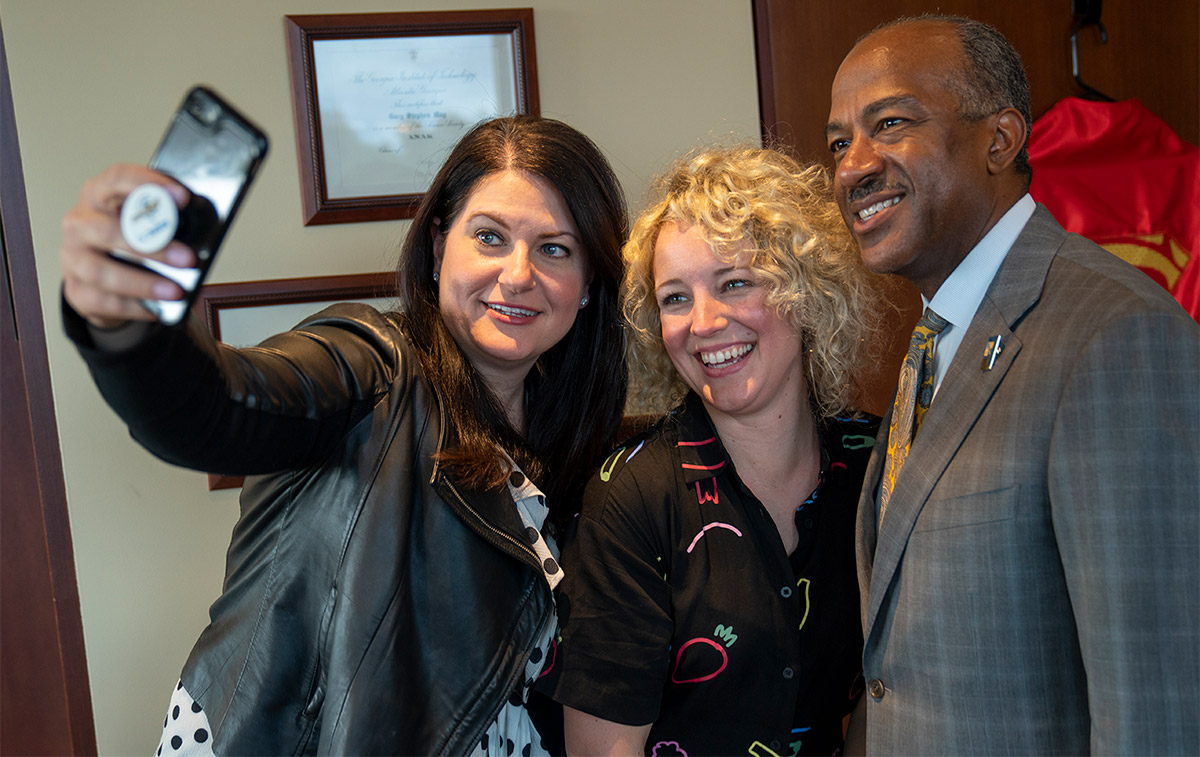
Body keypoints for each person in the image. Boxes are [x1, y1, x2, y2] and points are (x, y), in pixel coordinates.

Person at [59, 115, 628, 756]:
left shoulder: (572, 442)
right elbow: (215, 410)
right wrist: (129, 327)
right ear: (440, 246)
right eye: (490, 237)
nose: (519, 274)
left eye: (555, 249)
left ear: (587, 287)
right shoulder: (371, 364)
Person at [824, 14, 1200, 755]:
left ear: (1000, 139)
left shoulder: (1114, 335)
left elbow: (1154, 704)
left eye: (890, 123)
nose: (851, 166)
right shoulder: (938, 336)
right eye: (839, 141)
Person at [540, 146, 884, 756]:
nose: (703, 322)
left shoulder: (876, 462)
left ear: (806, 293)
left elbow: (888, 697)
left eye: (735, 283)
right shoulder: (632, 499)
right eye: (675, 298)